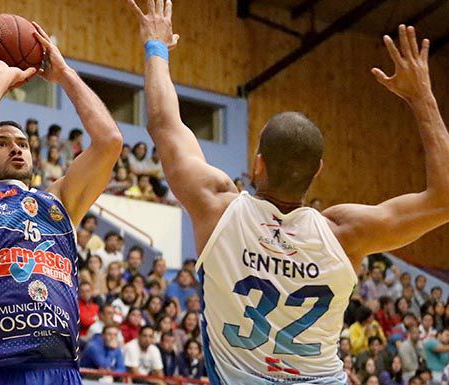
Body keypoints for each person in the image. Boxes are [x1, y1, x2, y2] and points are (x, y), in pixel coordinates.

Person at [127, 1, 449, 382]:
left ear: (258, 162)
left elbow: (164, 124)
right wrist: (422, 96)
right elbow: (443, 200)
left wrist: (156, 46)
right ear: (318, 172)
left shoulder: (217, 207)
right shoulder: (345, 234)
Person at [0, 21, 121, 384]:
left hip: (60, 369)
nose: (16, 147)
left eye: (22, 142)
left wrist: (65, 74)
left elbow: (108, 141)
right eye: (2, 142)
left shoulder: (59, 202)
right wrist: (1, 77)